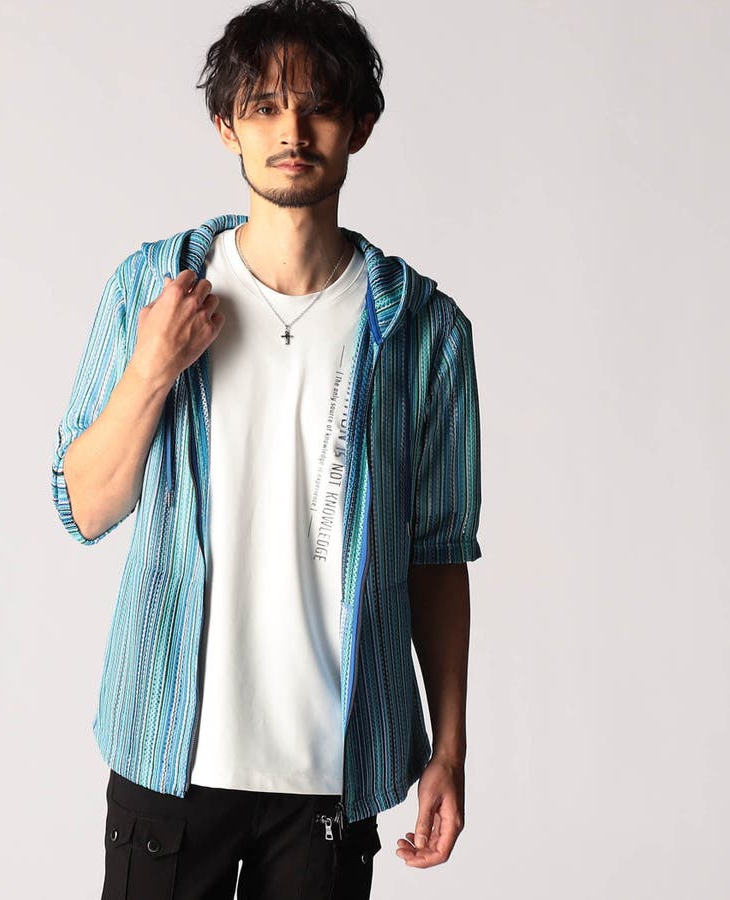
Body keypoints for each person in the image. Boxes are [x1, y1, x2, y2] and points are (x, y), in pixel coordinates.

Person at [50, 1, 482, 897]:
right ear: (227, 126)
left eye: (319, 106)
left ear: (360, 126)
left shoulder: (423, 329)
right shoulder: (153, 287)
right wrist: (152, 368)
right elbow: (84, 507)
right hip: (170, 757)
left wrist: (449, 748)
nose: (292, 131)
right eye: (264, 106)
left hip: (329, 773)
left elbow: (438, 553)